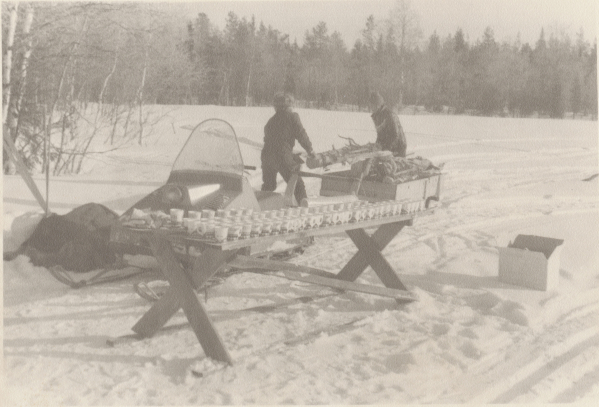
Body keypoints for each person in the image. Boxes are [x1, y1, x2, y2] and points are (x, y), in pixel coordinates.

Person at [261, 92, 316, 204]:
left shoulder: (271, 121)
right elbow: (301, 134)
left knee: (268, 187)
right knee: (297, 183)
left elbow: (271, 140)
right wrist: (310, 149)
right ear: (288, 106)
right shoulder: (292, 117)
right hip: (282, 157)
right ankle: (304, 206)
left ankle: (260, 206)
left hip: (267, 157)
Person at [369, 92, 407, 157]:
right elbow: (380, 135)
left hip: (398, 147)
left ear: (378, 105)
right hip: (387, 146)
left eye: (372, 105)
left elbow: (395, 135)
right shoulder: (376, 116)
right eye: (370, 105)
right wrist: (378, 145)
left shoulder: (389, 115)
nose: (371, 108)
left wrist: (386, 149)